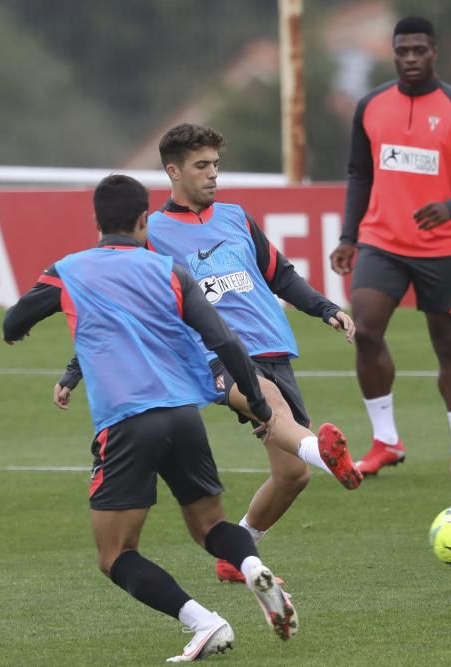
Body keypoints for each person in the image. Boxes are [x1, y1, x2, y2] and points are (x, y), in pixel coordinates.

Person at [4, 175, 298, 662]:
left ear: (97, 221)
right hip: (183, 415)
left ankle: (205, 623)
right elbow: (225, 340)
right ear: (144, 220)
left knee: (116, 555)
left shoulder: (70, 269)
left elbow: (13, 322)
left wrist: (26, 327)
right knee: (210, 527)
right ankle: (249, 566)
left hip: (126, 422)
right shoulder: (170, 270)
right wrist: (262, 406)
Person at [56, 123, 363, 585]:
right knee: (265, 399)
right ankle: (324, 452)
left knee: (292, 476)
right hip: (211, 353)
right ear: (173, 171)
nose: (213, 175)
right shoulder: (152, 233)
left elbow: (280, 276)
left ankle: (238, 552)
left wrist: (325, 308)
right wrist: (74, 370)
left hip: (272, 345)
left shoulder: (236, 217)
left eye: (216, 165)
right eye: (202, 166)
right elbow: (113, 303)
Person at [329, 16, 451, 477]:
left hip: (440, 248)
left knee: (448, 345)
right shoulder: (370, 106)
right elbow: (359, 174)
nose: (410, 59)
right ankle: (386, 440)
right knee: (364, 331)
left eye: (419, 51)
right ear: (393, 53)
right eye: (402, 51)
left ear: (434, 53)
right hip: (381, 242)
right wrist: (349, 236)